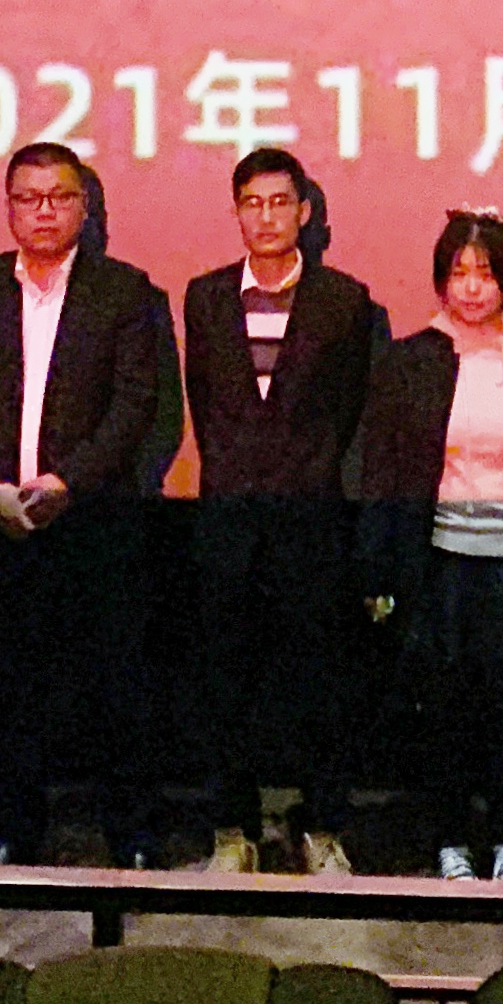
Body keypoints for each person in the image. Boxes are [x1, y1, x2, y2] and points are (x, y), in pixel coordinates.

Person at [0, 141, 177, 863]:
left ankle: (129, 834)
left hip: (92, 521)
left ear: (84, 207)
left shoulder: (125, 291)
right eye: (28, 197)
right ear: (9, 207)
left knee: (115, 688)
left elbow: (135, 404)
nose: (44, 211)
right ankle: (14, 828)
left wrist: (67, 482)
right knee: (6, 687)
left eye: (59, 196)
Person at [179, 148, 383, 874]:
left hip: (311, 522)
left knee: (320, 684)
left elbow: (351, 412)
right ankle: (232, 830)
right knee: (223, 686)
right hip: (228, 523)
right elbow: (206, 406)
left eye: (278, 202)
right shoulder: (205, 296)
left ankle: (322, 826)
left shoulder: (345, 301)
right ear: (237, 212)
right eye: (251, 203)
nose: (265, 216)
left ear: (304, 211)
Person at [360, 209, 503, 881]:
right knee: (445, 707)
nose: (472, 288)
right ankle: (449, 837)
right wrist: (377, 568)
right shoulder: (412, 358)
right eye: (458, 273)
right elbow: (384, 469)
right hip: (438, 562)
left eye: (486, 273)